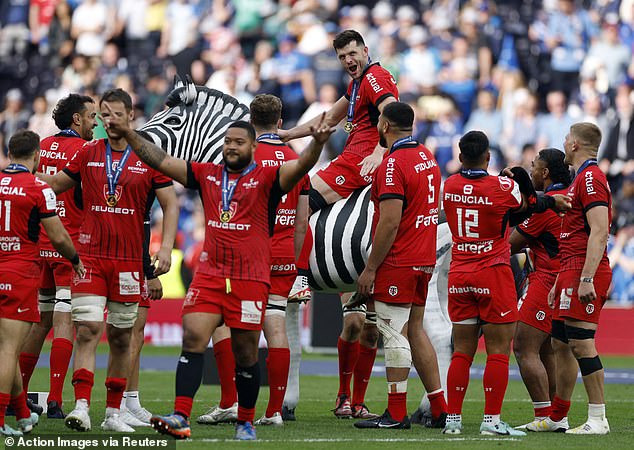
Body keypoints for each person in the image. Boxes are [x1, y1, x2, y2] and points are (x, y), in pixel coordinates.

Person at [102, 107, 334, 440]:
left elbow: (302, 166)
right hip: (210, 274)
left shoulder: (268, 179)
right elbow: (162, 161)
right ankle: (181, 415)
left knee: (246, 352)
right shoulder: (208, 174)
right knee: (194, 336)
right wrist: (128, 134)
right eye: (227, 141)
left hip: (250, 277)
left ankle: (246, 420)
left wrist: (316, 144)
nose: (231, 146)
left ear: (253, 147)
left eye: (239, 142)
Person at [37, 88, 175, 433]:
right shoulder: (87, 152)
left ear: (131, 115)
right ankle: (81, 406)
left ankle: (113, 413)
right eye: (102, 115)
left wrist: (164, 247)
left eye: (115, 114)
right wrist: (17, 173)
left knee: (121, 336)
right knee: (88, 330)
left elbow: (171, 203)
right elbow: (55, 183)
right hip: (91, 258)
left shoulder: (149, 155)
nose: (108, 121)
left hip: (128, 261)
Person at [282, 29, 398, 420]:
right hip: (356, 161)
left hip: (356, 164)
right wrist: (286, 134)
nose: (349, 59)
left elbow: (392, 110)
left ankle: (298, 274)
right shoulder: (357, 85)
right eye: (343, 56)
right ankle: (345, 399)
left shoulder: (376, 77)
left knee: (300, 200)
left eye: (353, 52)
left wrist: (382, 150)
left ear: (365, 50)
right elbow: (326, 120)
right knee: (355, 324)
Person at [441, 130, 570, 436]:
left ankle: (452, 421)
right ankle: (491, 422)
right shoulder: (501, 187)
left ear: (460, 157)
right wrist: (538, 191)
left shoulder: (449, 185)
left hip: (459, 273)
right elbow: (528, 201)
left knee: (461, 351)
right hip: (493, 272)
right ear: (488, 157)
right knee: (498, 351)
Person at [196, 94, 310, 427]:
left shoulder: (244, 155)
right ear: (279, 122)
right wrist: (299, 267)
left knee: (222, 323)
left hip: (246, 254)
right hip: (285, 253)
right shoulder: (295, 158)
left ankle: (230, 401)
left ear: (250, 121)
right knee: (276, 326)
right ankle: (274, 411)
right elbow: (303, 222)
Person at [353, 101, 448, 429]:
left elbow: (390, 223)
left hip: (399, 260)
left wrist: (370, 268)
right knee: (415, 331)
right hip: (423, 259)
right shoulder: (427, 157)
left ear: (384, 126)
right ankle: (439, 407)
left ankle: (395, 412)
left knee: (393, 333)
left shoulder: (393, 165)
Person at [0, 130, 85, 436]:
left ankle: (22, 413)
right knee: (10, 347)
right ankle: (41, 404)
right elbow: (59, 235)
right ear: (36, 155)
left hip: (13, 264)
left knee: (16, 339)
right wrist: (76, 259)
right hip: (23, 269)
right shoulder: (38, 187)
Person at [530, 123, 612, 435]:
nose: (564, 143)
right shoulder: (581, 178)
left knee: (581, 342)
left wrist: (586, 277)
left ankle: (597, 418)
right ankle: (558, 416)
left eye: (566, 138)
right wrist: (559, 280)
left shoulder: (590, 178)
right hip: (569, 268)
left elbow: (600, 230)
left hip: (584, 269)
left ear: (575, 144)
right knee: (560, 342)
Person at [18, 94, 97, 419]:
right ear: (76, 119)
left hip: (41, 244)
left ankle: (18, 395)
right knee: (67, 320)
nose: (97, 123)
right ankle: (53, 399)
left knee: (41, 319)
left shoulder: (43, 145)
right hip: (70, 243)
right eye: (92, 116)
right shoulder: (86, 151)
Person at [509, 149, 572, 429]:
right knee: (545, 348)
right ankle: (556, 417)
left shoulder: (546, 207)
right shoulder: (569, 194)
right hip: (561, 277)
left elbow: (512, 242)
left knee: (523, 346)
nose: (531, 169)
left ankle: (544, 416)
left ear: (544, 173)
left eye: (534, 166)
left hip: (547, 279)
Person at [120, 187, 178, 427]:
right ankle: (116, 405)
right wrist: (148, 271)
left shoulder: (146, 166)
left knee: (136, 332)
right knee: (116, 333)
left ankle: (130, 401)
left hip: (134, 257)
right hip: (120, 256)